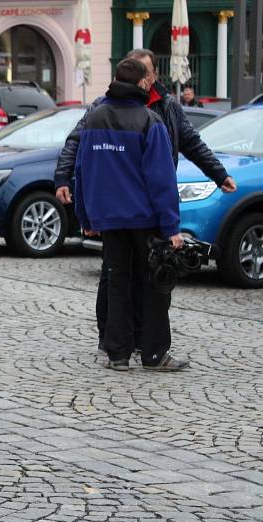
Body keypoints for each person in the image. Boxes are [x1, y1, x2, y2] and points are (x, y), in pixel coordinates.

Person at [55, 48, 236, 352]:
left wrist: (218, 173)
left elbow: (191, 142)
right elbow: (157, 177)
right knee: (126, 279)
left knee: (134, 276)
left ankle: (124, 347)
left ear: (152, 75)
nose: (145, 76)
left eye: (147, 70)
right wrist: (63, 180)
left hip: (126, 210)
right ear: (138, 80)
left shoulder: (165, 107)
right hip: (143, 210)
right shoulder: (127, 115)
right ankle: (122, 343)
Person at [74, 58, 185, 371]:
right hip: (144, 218)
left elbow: (81, 172)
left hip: (109, 218)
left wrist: (85, 218)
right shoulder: (150, 121)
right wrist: (171, 227)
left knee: (117, 283)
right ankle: (153, 353)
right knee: (154, 284)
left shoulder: (93, 118)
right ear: (144, 85)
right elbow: (162, 180)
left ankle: (118, 354)